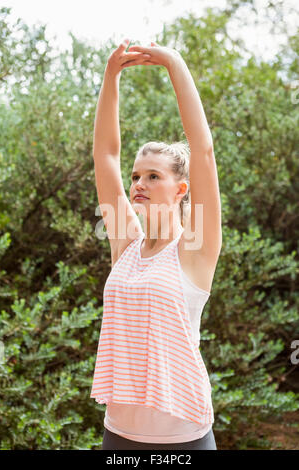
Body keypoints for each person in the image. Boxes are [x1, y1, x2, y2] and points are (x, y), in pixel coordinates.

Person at [90, 38, 222, 450]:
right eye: (136, 176)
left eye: (152, 176)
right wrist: (110, 77)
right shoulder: (126, 243)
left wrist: (175, 64)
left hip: (184, 438)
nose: (138, 184)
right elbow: (105, 156)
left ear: (181, 188)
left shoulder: (196, 247)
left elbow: (202, 150)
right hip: (119, 433)